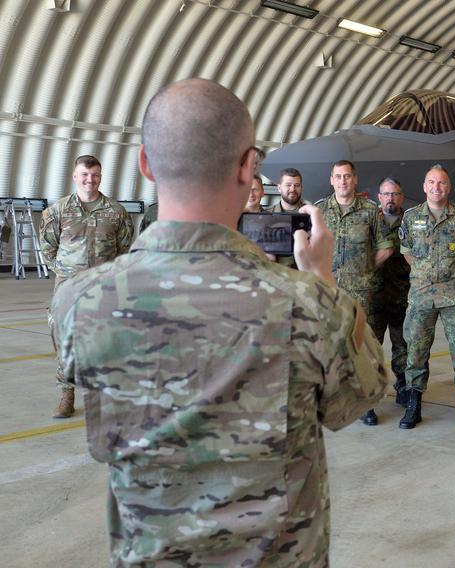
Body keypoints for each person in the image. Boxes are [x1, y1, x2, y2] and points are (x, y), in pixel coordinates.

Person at [51, 78, 388, 567]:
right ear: (250, 167)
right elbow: (363, 395)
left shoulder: (78, 301)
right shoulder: (308, 304)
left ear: (146, 163)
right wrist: (323, 277)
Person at [39, 154, 134, 419]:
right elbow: (47, 246)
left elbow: (124, 246)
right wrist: (66, 273)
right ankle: (66, 395)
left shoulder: (116, 212)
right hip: (67, 287)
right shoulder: (59, 211)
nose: (89, 180)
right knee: (64, 338)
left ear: (100, 177)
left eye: (94, 175)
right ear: (75, 176)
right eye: (84, 174)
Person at [398, 165, 455, 431]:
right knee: (416, 352)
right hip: (421, 296)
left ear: (449, 187)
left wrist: (450, 275)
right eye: (431, 183)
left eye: (442, 183)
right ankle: (414, 405)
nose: (436, 187)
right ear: (424, 187)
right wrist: (426, 274)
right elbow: (407, 253)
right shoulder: (411, 217)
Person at [317, 160, 394, 425]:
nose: (342, 181)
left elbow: (386, 247)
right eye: (338, 177)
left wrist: (364, 268)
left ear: (355, 180)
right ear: (331, 180)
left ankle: (365, 404)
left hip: (363, 292)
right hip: (329, 291)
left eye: (347, 176)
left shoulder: (371, 211)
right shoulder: (319, 211)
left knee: (363, 346)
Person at [374, 178, 411, 406]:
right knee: (371, 346)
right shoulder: (369, 221)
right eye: (386, 194)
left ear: (401, 197)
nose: (390, 198)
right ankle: (370, 393)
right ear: (379, 197)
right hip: (374, 295)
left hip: (402, 296)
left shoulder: (413, 221)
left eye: (395, 194)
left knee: (402, 346)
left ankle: (404, 387)